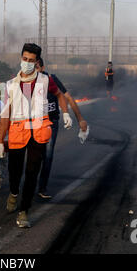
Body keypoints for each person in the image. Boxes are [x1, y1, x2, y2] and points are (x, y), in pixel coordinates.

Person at [0, 43, 78, 228]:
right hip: (17, 133)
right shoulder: (10, 85)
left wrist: (65, 113)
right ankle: (14, 193)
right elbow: (5, 115)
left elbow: (59, 95)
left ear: (37, 62)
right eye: (24, 59)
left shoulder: (45, 80)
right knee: (15, 172)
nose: (27, 63)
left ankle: (24, 211)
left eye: (31, 61)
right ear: (20, 58)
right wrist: (1, 141)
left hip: (39, 133)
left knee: (32, 172)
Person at [35, 58, 89, 199]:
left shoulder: (51, 79)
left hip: (51, 122)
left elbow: (68, 97)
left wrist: (80, 119)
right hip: (33, 124)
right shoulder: (27, 81)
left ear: (42, 68)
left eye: (36, 67)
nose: (34, 71)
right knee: (34, 156)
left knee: (48, 155)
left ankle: (42, 187)